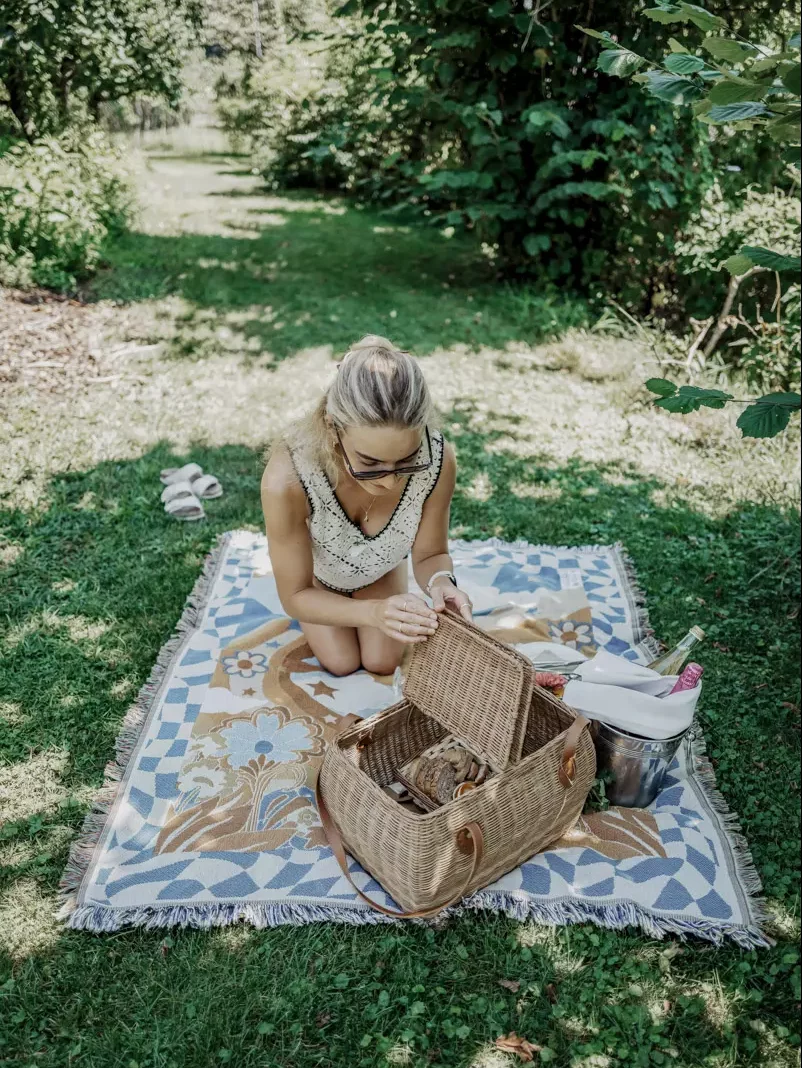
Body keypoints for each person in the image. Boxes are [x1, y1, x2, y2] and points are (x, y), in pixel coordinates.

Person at [262, 335, 472, 677]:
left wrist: (440, 581)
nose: (389, 482)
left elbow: (430, 553)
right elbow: (295, 594)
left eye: (407, 461)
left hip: (382, 569)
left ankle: (383, 579)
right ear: (333, 429)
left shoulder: (438, 458)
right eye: (369, 463)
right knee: (340, 663)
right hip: (316, 582)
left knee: (382, 662)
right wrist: (374, 613)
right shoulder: (288, 479)